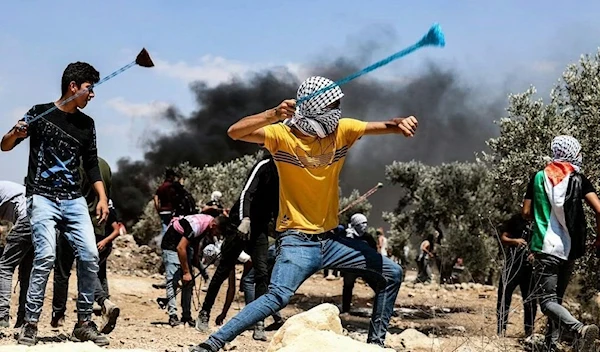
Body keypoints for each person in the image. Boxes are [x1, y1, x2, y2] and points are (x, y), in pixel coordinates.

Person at [188, 75, 417, 352]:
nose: (338, 111)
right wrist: (272, 114)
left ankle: (376, 346)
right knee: (277, 297)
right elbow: (235, 132)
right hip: (296, 241)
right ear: (317, 108)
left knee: (392, 274)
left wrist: (399, 123)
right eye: (333, 105)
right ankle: (212, 344)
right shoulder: (281, 136)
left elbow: (380, 126)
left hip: (333, 242)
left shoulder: (342, 131)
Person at [1, 62, 109, 346]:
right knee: (46, 256)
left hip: (74, 201)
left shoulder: (87, 125)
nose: (92, 95)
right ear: (73, 87)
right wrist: (15, 133)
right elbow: (5, 145)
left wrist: (102, 197)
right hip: (42, 196)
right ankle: (31, 323)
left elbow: (91, 164)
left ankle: (84, 323)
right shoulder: (38, 113)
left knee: (89, 255)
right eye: (89, 88)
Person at [523, 135, 600, 351]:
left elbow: (526, 212)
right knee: (557, 298)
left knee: (547, 302)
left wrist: (541, 213)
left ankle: (578, 329)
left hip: (545, 247)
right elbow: (599, 210)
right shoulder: (579, 178)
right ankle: (551, 344)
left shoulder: (538, 177)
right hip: (570, 249)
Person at [195, 154, 279, 341]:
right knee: (223, 271)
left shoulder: (290, 169)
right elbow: (246, 193)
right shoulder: (265, 164)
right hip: (239, 225)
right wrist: (245, 219)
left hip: (260, 229)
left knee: (262, 274)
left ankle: (259, 323)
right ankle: (204, 312)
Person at [51, 157, 120, 334]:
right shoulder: (105, 164)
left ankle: (59, 314)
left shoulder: (73, 163)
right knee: (91, 271)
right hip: (99, 227)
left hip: (75, 223)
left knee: (62, 271)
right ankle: (94, 311)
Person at [161, 213, 227, 327]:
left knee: (189, 283)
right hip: (171, 245)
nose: (216, 235)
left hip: (185, 247)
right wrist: (186, 272)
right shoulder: (197, 225)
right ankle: (173, 315)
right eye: (217, 232)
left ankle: (186, 315)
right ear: (214, 226)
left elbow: (195, 240)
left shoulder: (207, 225)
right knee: (173, 282)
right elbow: (180, 248)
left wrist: (195, 257)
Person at [496, 212, 536, 337]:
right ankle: (501, 329)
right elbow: (503, 237)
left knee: (530, 300)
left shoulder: (541, 219)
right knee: (504, 295)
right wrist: (515, 241)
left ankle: (529, 331)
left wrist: (536, 253)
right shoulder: (516, 219)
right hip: (512, 263)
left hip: (530, 267)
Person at [0, 181, 33, 329]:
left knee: (5, 266)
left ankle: (2, 316)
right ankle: (23, 319)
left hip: (26, 219)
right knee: (26, 272)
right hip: (40, 220)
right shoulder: (7, 188)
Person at [342, 213, 378, 313]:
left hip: (365, 267)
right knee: (348, 287)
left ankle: (379, 309)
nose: (365, 225)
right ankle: (345, 310)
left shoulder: (368, 238)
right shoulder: (347, 235)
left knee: (376, 286)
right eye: (362, 223)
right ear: (356, 224)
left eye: (366, 223)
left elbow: (374, 250)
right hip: (351, 267)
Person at [154, 169, 178, 240]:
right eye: (173, 176)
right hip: (171, 210)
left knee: (165, 227)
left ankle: (163, 243)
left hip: (163, 211)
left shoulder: (161, 187)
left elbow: (156, 199)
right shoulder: (173, 187)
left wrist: (158, 209)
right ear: (171, 176)